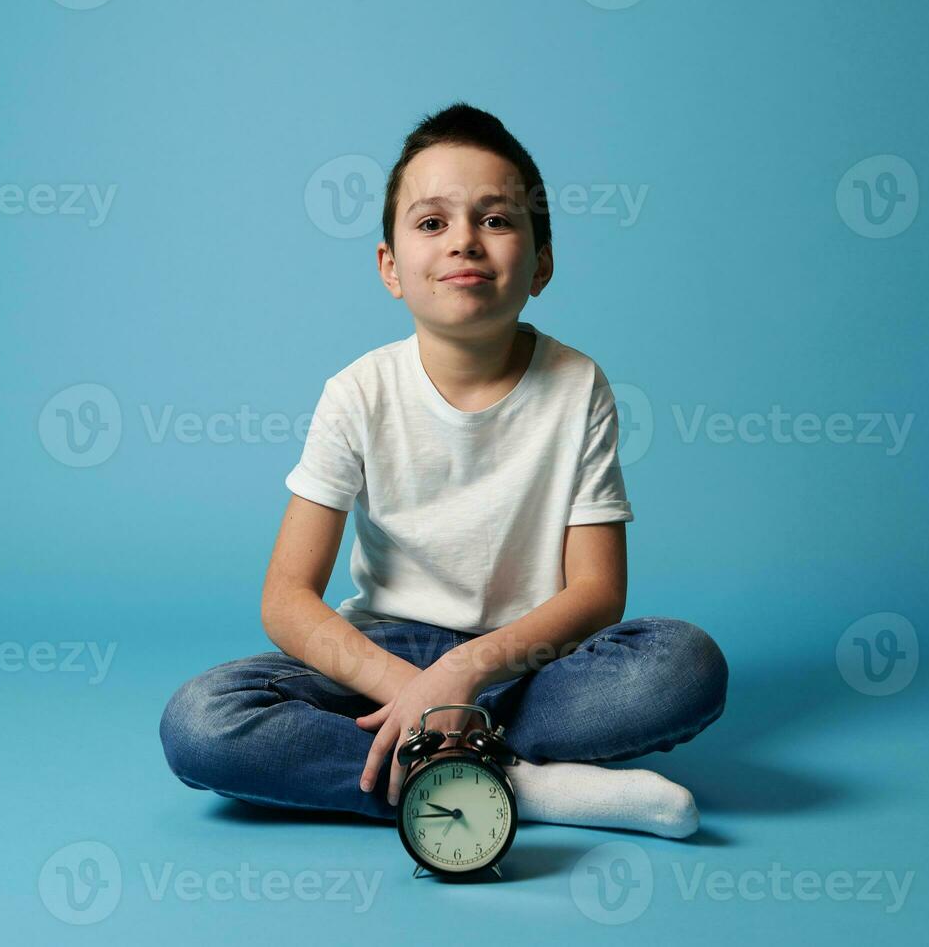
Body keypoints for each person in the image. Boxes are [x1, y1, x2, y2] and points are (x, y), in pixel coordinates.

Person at [159, 102, 727, 839]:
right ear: (390, 267)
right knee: (201, 721)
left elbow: (597, 591)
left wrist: (463, 676)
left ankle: (445, 763)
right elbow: (287, 600)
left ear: (540, 262)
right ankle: (517, 785)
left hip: (526, 662)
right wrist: (414, 688)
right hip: (384, 654)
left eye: (495, 220)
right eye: (431, 223)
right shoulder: (357, 392)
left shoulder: (577, 383)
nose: (463, 240)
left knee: (683, 666)